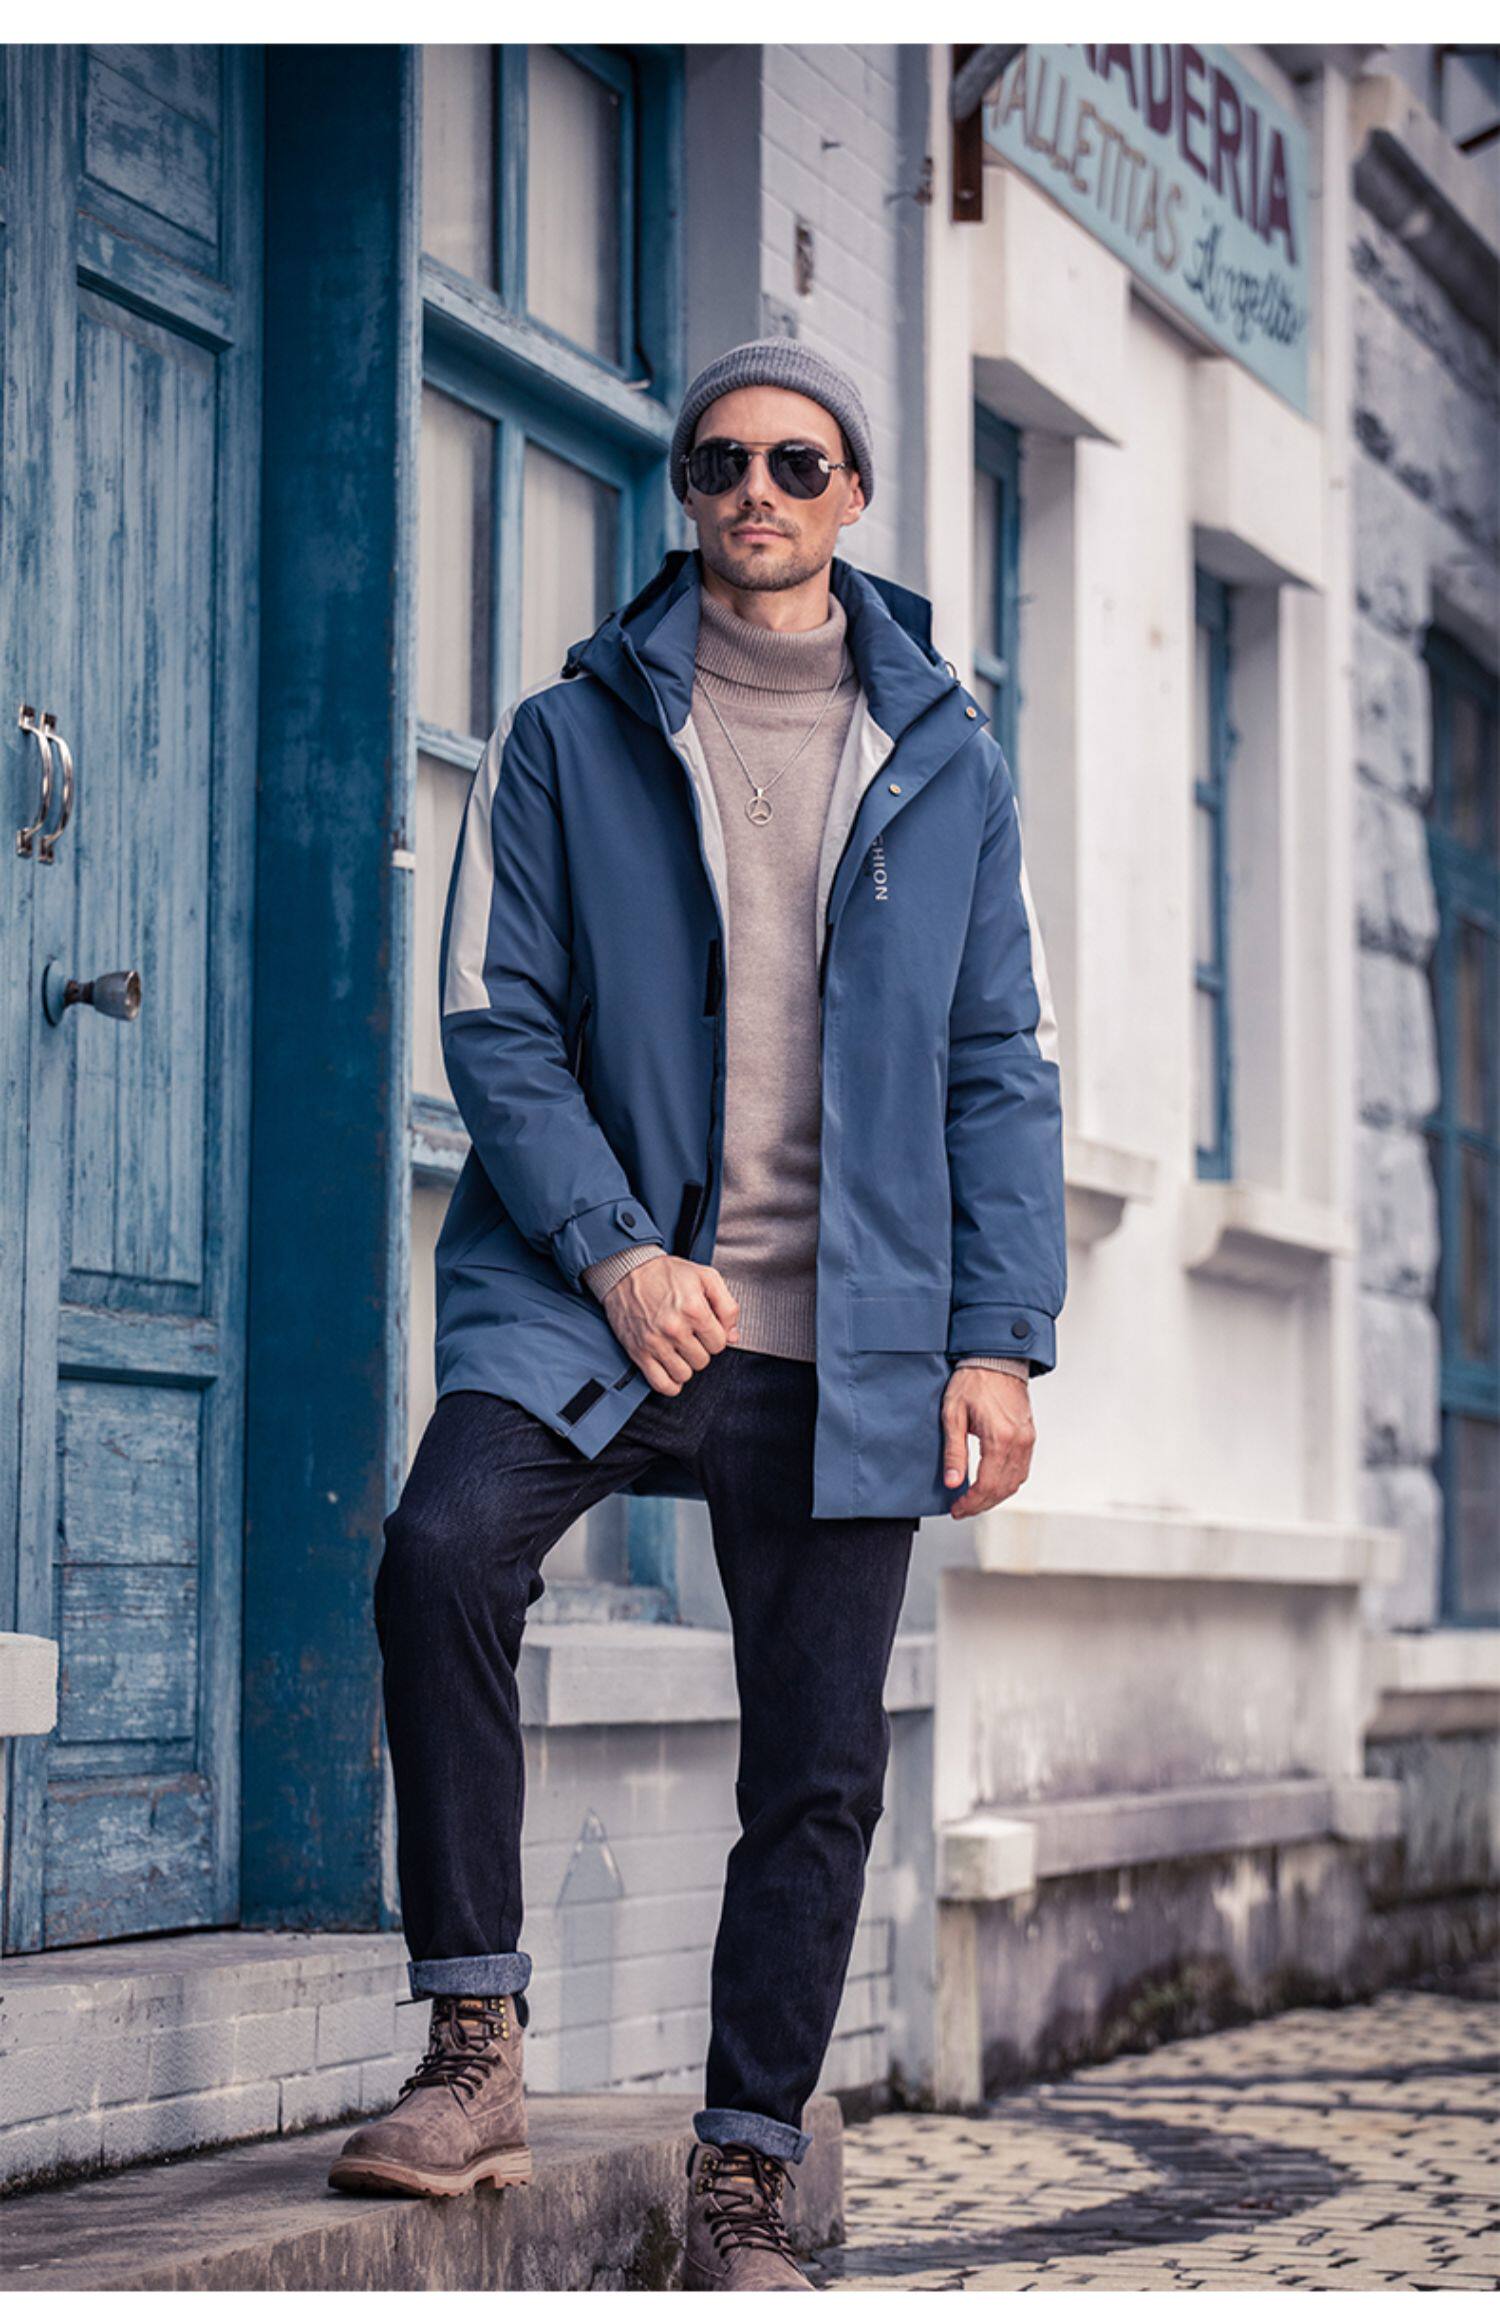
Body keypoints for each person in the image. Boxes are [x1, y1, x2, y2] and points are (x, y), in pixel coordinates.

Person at [329, 339, 1067, 2290]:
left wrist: (998, 1337)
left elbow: (999, 1061)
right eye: (722, 460)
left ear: (852, 494)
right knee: (440, 1551)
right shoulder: (565, 734)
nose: (757, 489)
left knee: (817, 1764)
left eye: (797, 463)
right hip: (599, 1301)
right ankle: (472, 2043)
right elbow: (495, 1019)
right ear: (689, 489)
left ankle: (744, 2175)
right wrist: (613, 1249)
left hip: (855, 1336)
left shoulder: (949, 756)